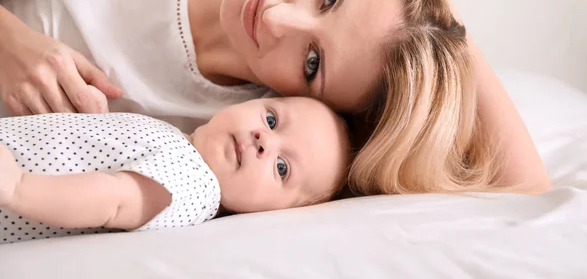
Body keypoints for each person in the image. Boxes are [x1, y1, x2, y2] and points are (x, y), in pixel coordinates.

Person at [0, 0, 551, 196]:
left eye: (313, 62)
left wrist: (449, 30)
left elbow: (528, 196)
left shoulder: (262, 139)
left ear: (318, 105)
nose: (278, 19)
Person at [0, 96, 350, 244]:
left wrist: (19, 188)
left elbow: (114, 200)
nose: (263, 140)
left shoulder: (196, 187)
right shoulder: (181, 141)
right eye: (271, 119)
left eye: (281, 167)